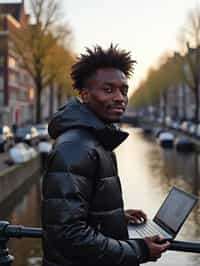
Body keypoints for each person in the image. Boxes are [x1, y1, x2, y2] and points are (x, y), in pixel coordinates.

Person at [42, 44, 170, 266]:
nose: (120, 97)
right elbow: (68, 234)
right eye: (108, 89)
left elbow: (74, 215)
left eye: (124, 90)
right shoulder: (76, 147)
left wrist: (113, 218)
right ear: (85, 95)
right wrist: (139, 249)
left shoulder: (95, 140)